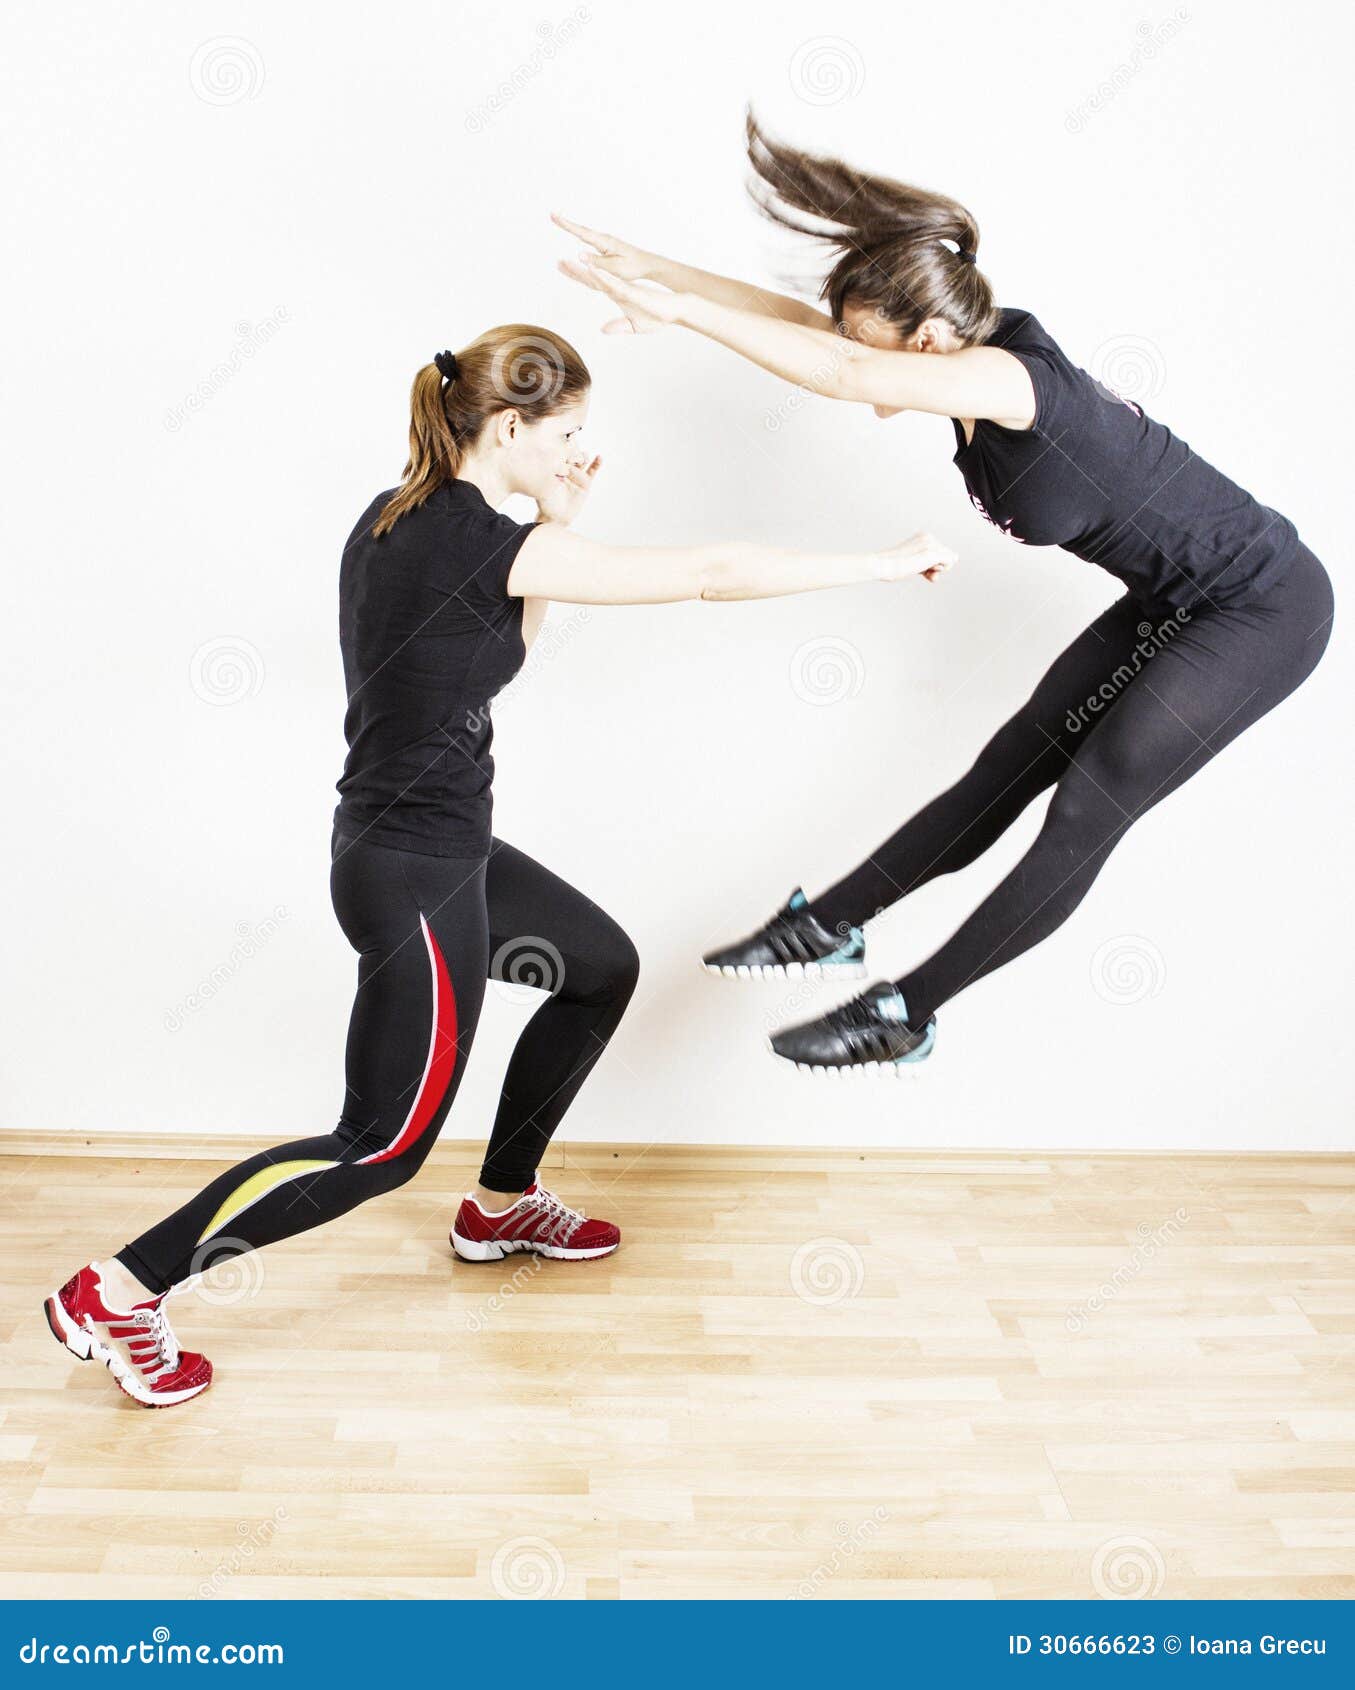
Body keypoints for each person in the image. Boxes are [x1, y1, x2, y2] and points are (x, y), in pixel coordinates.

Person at [44, 323, 956, 1404]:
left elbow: (495, 655)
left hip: (438, 846)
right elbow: (709, 574)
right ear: (510, 426)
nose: (579, 450)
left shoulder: (411, 519)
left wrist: (553, 523)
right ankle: (121, 1287)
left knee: (598, 967)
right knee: (376, 1146)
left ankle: (501, 1202)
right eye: (565, 432)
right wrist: (882, 562)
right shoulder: (471, 539)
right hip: (410, 871)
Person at [555, 114, 1335, 1076]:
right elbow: (818, 336)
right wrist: (662, 274)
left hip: (1261, 606)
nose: (855, 353)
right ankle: (833, 925)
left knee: (1087, 807)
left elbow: (840, 369)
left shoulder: (1010, 381)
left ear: (928, 342)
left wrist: (683, 317)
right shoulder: (952, 361)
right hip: (1168, 604)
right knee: (1006, 767)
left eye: (876, 346)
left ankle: (907, 1012)